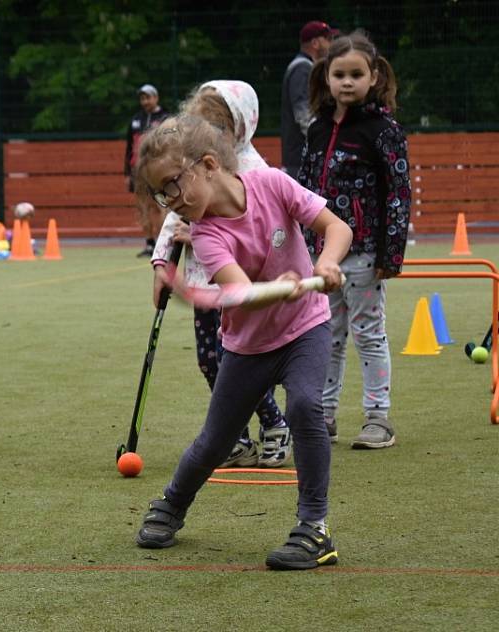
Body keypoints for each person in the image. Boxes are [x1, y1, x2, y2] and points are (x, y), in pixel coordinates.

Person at [133, 113, 353, 570]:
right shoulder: (208, 234)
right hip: (248, 347)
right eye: (160, 194)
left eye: (173, 185)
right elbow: (239, 293)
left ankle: (314, 529)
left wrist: (326, 263)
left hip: (304, 328)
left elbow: (337, 228)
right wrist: (277, 286)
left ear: (209, 165)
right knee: (215, 441)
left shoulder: (273, 184)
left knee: (306, 407)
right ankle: (172, 503)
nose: (169, 202)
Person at [150, 81, 291, 469]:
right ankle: (238, 436)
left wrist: (196, 236)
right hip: (202, 283)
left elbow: (251, 229)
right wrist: (163, 265)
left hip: (242, 286)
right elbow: (174, 217)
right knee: (211, 361)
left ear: (240, 127)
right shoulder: (191, 168)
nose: (207, 141)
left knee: (241, 362)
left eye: (216, 132)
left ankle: (275, 423)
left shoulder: (253, 172)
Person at [299, 30, 410, 449]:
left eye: (355, 74)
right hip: (322, 254)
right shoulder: (317, 129)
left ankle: (378, 417)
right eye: (338, 74)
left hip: (364, 253)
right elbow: (304, 191)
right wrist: (303, 245)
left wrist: (391, 252)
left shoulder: (383, 130)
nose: (346, 82)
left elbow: (399, 191)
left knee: (368, 332)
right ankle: (323, 416)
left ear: (374, 76)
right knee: (325, 333)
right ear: (326, 77)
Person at [280, 21, 338, 180]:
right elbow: (303, 116)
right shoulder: (302, 68)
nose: (332, 44)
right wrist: (327, 141)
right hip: (299, 161)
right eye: (329, 39)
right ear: (315, 43)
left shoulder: (306, 67)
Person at [124, 84, 169, 257]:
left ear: (156, 98)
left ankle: (164, 243)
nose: (145, 101)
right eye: (142, 98)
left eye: (148, 97)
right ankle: (150, 244)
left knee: (160, 206)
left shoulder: (165, 118)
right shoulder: (136, 120)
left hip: (158, 170)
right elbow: (129, 148)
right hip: (138, 171)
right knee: (143, 208)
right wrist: (127, 173)